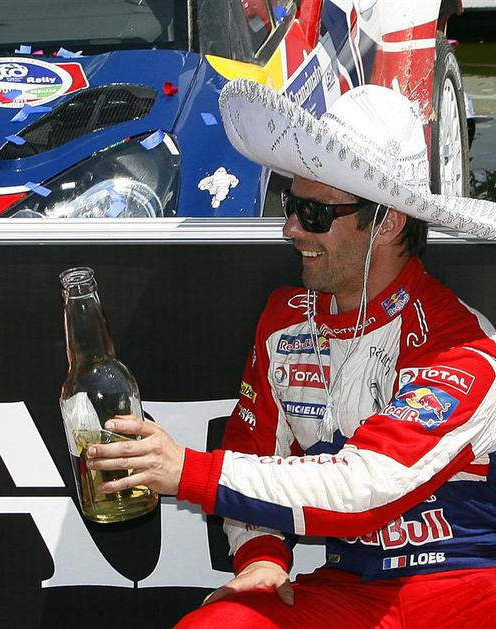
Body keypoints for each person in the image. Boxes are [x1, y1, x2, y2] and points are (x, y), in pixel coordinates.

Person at [87, 79, 496, 627]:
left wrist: (187, 470)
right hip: (352, 585)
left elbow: (368, 487)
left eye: (314, 212)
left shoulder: (463, 344)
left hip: (469, 583)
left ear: (388, 222)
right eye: (290, 204)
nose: (290, 228)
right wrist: (260, 553)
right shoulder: (284, 321)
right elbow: (253, 449)